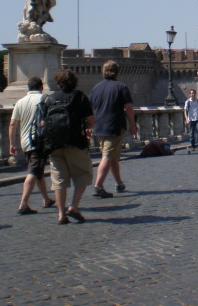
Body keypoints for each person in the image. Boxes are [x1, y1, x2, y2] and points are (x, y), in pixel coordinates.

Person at [46, 69, 95, 224]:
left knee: (58, 179)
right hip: (75, 142)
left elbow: (43, 123)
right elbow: (91, 121)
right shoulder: (80, 97)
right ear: (75, 82)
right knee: (83, 174)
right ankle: (73, 206)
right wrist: (83, 127)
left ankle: (61, 214)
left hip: (54, 145)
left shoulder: (50, 99)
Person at [89, 60, 136, 198]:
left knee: (113, 156)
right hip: (114, 126)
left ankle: (119, 183)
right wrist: (132, 124)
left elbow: (89, 108)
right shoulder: (121, 87)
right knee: (108, 156)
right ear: (117, 72)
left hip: (99, 127)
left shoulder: (95, 88)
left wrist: (88, 125)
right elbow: (129, 107)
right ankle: (98, 186)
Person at [8, 76, 55, 214]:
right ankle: (23, 204)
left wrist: (12, 143)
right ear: (41, 87)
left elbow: (12, 124)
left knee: (38, 171)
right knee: (33, 171)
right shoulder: (44, 99)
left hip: (25, 142)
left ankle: (46, 199)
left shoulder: (20, 102)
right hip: (38, 140)